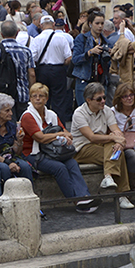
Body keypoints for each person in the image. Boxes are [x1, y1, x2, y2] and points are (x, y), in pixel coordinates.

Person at [19, 82, 93, 211]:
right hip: (33, 154)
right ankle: (76, 201)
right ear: (30, 98)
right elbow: (40, 138)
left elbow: (67, 133)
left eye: (41, 96)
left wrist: (66, 137)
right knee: (59, 168)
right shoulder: (27, 116)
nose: (38, 98)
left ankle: (85, 196)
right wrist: (59, 134)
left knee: (72, 163)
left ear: (46, 99)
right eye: (34, 96)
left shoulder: (51, 114)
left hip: (53, 152)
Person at [71, 81, 131, 209]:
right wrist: (115, 138)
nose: (103, 101)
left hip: (101, 145)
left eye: (104, 97)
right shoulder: (79, 113)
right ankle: (122, 195)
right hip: (82, 148)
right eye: (99, 99)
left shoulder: (107, 111)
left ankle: (108, 177)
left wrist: (119, 142)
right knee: (116, 151)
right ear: (88, 100)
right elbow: (91, 137)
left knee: (117, 150)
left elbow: (116, 131)